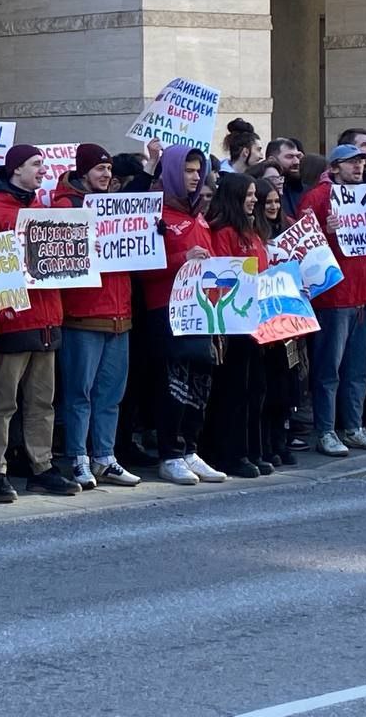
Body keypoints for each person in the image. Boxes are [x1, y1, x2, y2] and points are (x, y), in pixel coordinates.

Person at [0, 145, 79, 499]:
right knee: (4, 402)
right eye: (36, 164)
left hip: (48, 316)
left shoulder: (42, 209)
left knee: (42, 401)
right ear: (15, 169)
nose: (43, 170)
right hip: (13, 317)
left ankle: (41, 465)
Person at [52, 144, 141, 489]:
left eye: (108, 169)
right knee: (80, 393)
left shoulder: (117, 207)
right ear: (83, 171)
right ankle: (77, 457)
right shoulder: (66, 206)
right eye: (99, 169)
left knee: (110, 393)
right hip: (83, 314)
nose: (106, 175)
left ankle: (105, 456)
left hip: (119, 314)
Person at [299, 143, 366, 456]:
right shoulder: (316, 198)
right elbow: (303, 248)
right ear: (335, 167)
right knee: (329, 370)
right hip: (335, 297)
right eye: (351, 162)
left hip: (365, 296)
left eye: (361, 162)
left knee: (359, 369)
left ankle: (353, 427)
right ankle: (326, 431)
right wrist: (325, 232)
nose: (358, 167)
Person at [139, 144, 227, 485]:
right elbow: (143, 267)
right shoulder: (156, 213)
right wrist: (182, 258)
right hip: (166, 310)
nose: (194, 177)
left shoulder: (198, 215)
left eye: (198, 171)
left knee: (199, 380)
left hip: (201, 310)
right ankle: (170, 453)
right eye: (188, 171)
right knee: (172, 383)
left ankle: (190, 447)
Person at [205, 173, 271, 478]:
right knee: (233, 391)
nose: (254, 199)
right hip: (233, 323)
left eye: (255, 194)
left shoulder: (252, 231)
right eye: (249, 194)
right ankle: (231, 453)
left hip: (255, 322)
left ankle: (252, 449)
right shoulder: (225, 232)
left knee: (255, 389)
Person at [256, 177, 302, 466]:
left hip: (289, 323)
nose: (273, 206)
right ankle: (267, 443)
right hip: (264, 323)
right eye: (268, 202)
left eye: (276, 201)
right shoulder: (255, 235)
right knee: (269, 387)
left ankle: (281, 440)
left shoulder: (288, 231)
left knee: (287, 385)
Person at [267, 138, 305, 216]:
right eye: (289, 157)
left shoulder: (305, 191)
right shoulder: (259, 191)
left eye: (298, 156)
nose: (296, 162)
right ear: (271, 160)